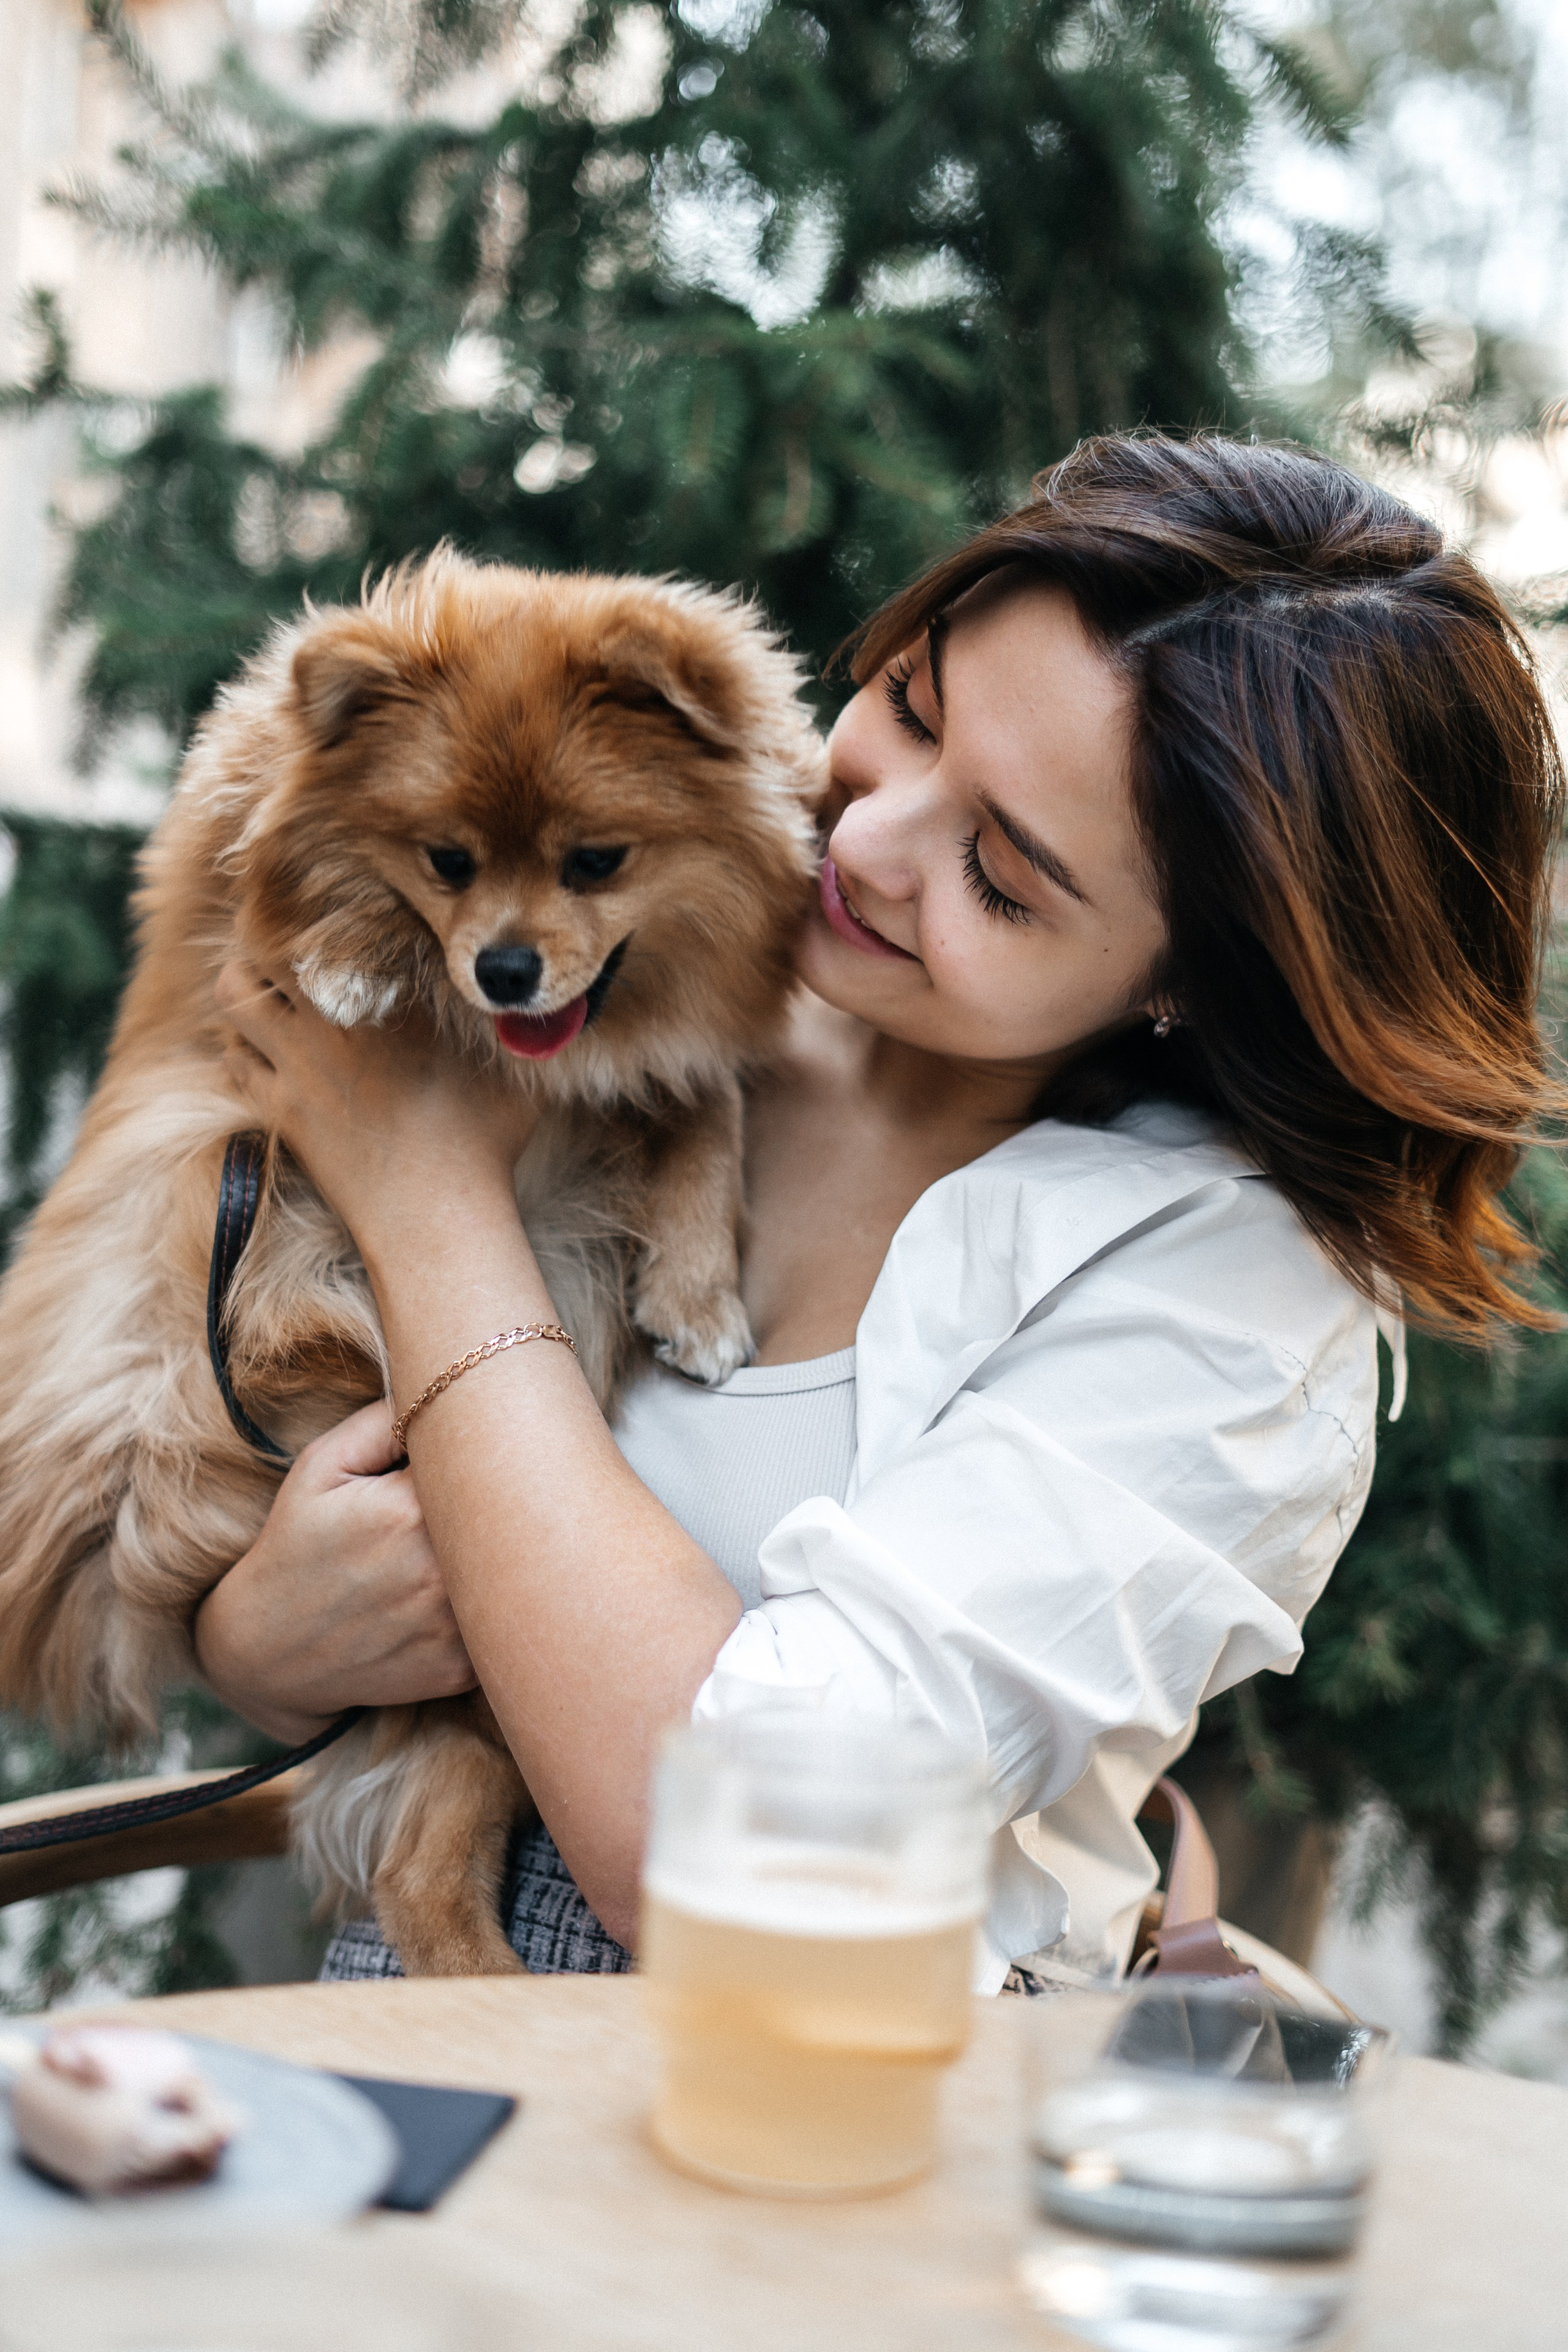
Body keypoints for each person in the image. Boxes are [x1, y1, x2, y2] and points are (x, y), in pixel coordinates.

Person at [198, 434, 1563, 1989]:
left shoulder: (1223, 1299)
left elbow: (729, 1853)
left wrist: (427, 1194)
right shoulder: (641, 931)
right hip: (409, 2005)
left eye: (999, 873)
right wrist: (259, 1639)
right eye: (908, 706)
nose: (859, 838)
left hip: (830, 2108)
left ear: (1193, 976)